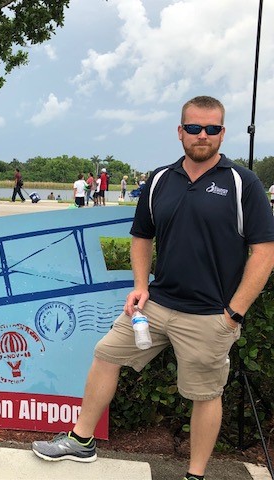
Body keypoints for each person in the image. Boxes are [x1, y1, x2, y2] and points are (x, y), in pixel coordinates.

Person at [31, 96, 274, 480]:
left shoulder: (243, 183)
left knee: (206, 395)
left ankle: (195, 475)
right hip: (157, 305)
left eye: (212, 128)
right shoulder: (160, 179)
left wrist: (234, 313)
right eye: (194, 127)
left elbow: (264, 252)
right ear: (180, 131)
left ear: (223, 133)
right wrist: (141, 286)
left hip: (210, 315)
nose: (203, 135)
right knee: (106, 354)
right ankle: (81, 441)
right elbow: (142, 236)